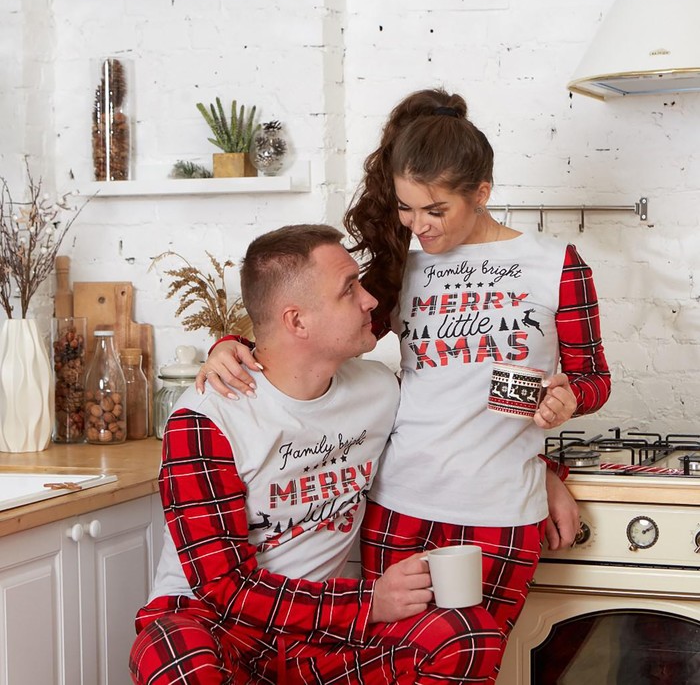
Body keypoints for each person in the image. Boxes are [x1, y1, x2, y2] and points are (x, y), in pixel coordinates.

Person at [198, 88, 611, 681]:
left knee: (470, 662)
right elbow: (314, 330)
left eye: (435, 210)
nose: (420, 226)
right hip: (399, 507)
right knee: (391, 667)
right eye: (406, 209)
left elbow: (594, 377)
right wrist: (230, 344)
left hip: (500, 512)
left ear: (481, 194)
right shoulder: (404, 265)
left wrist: (568, 401)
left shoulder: (556, 265)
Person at [129, 224, 504, 685]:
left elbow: (459, 431)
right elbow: (223, 588)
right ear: (297, 321)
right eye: (349, 289)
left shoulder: (379, 390)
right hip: (216, 628)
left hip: (320, 635)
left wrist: (545, 472)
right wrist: (368, 603)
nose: (370, 300)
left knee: (465, 636)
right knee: (173, 657)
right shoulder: (207, 419)